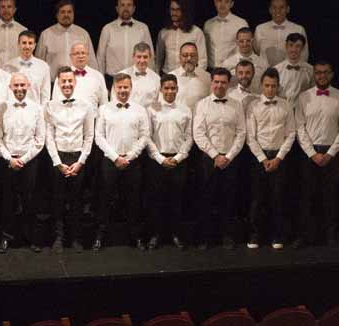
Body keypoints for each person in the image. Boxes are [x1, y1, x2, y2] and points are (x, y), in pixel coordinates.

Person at [294, 61, 339, 248]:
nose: (321, 76)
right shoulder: (304, 97)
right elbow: (299, 127)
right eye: (318, 73)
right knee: (305, 195)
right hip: (308, 153)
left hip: (331, 153)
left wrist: (331, 153)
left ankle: (330, 236)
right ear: (314, 75)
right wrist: (312, 153)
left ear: (332, 74)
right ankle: (303, 236)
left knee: (329, 196)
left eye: (325, 72)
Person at [94, 73, 150, 251]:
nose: (123, 90)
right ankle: (100, 236)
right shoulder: (104, 109)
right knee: (104, 200)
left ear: (131, 88)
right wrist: (115, 157)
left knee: (134, 200)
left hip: (132, 161)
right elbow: (99, 137)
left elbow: (144, 136)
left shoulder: (140, 110)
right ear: (114, 89)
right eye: (120, 87)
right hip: (111, 160)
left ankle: (136, 237)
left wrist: (130, 156)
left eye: (126, 87)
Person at [193, 68, 247, 250]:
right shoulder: (202, 105)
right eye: (216, 81)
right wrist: (215, 155)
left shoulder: (237, 105)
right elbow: (198, 133)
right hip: (209, 158)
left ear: (228, 83)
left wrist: (229, 156)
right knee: (205, 198)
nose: (219, 85)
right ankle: (204, 238)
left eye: (223, 82)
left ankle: (227, 236)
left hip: (231, 158)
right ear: (211, 82)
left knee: (229, 199)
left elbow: (241, 133)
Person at [45, 67, 95, 253]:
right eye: (63, 81)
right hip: (58, 157)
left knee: (77, 200)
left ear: (75, 83)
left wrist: (81, 161)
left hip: (77, 157)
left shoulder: (86, 105)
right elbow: (48, 136)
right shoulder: (50, 106)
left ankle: (76, 238)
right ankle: (58, 238)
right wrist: (57, 162)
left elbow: (89, 136)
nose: (66, 84)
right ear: (58, 83)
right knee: (57, 200)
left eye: (69, 81)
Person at [245, 68, 296, 250]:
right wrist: (262, 158)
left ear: (278, 86)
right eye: (267, 85)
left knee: (278, 197)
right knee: (257, 198)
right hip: (259, 157)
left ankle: (277, 235)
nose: (270, 89)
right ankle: (255, 234)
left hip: (280, 157)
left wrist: (278, 158)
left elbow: (291, 134)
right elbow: (250, 136)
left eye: (273, 86)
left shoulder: (286, 105)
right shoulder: (253, 106)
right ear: (261, 85)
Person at [0, 73, 46, 253]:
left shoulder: (37, 109)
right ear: (10, 87)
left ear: (28, 85)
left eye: (22, 85)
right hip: (8, 160)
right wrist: (10, 158)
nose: (19, 89)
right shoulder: (1, 108)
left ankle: (31, 237)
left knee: (30, 200)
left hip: (29, 160)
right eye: (16, 85)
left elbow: (40, 140)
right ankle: (6, 238)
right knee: (7, 201)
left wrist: (23, 160)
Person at [145, 74, 192, 250]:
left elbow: (189, 137)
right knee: (156, 200)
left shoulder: (185, 109)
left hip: (179, 160)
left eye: (173, 88)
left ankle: (176, 234)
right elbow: (147, 136)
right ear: (161, 89)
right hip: (157, 161)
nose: (170, 91)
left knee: (177, 200)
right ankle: (155, 235)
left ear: (177, 89)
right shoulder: (151, 109)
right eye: (167, 88)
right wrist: (160, 158)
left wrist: (178, 157)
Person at [36, 0, 99, 79]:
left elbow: (91, 61)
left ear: (73, 14)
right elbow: (39, 62)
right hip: (53, 82)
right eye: (62, 12)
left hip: (79, 82)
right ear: (57, 15)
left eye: (69, 12)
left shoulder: (83, 34)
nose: (66, 15)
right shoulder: (46, 34)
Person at [97, 0, 154, 79]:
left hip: (137, 78)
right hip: (113, 79)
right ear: (117, 8)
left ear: (134, 8)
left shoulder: (143, 28)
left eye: (129, 5)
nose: (126, 8)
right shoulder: (107, 29)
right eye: (122, 5)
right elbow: (100, 57)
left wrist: (151, 78)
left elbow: (151, 56)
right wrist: (100, 81)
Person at [155, 0, 207, 73]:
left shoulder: (196, 32)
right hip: (168, 75)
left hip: (188, 75)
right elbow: (158, 59)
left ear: (184, 11)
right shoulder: (163, 32)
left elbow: (202, 60)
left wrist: (196, 77)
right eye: (172, 9)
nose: (174, 13)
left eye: (177, 10)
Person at [254, 0, 309, 67]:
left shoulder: (299, 29)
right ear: (270, 10)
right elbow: (256, 51)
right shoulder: (260, 29)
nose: (278, 11)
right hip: (266, 73)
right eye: (274, 8)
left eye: (282, 7)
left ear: (288, 9)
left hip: (290, 73)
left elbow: (304, 55)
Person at [51, 42, 108, 110]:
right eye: (77, 53)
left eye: (83, 53)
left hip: (93, 119)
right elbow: (55, 102)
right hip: (68, 118)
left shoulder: (98, 76)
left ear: (87, 55)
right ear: (71, 56)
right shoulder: (62, 75)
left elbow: (104, 103)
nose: (80, 56)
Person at [203, 0, 249, 69]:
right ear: (215, 2)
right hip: (211, 70)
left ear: (232, 4)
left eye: (226, 2)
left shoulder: (241, 23)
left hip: (233, 69)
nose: (222, 4)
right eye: (220, 1)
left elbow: (246, 49)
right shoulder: (208, 24)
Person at [5, 30, 51, 104]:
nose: (27, 46)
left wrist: (42, 113)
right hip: (14, 110)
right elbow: (6, 92)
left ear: (34, 45)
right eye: (24, 43)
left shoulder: (43, 67)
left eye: (30, 43)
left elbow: (45, 95)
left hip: (35, 111)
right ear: (18, 44)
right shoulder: (8, 66)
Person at [111, 42, 160, 108]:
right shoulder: (121, 75)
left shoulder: (157, 79)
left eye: (145, 57)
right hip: (125, 116)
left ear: (150, 57)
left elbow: (158, 105)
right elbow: (114, 101)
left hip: (147, 117)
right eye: (139, 57)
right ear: (133, 56)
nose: (142, 60)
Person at [221, 28, 268, 93]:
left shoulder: (263, 63)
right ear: (237, 42)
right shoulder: (227, 64)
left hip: (257, 100)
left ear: (252, 41)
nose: (245, 44)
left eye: (248, 41)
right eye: (241, 41)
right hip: (234, 100)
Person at [168, 42, 210, 110]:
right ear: (179, 57)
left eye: (192, 55)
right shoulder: (170, 77)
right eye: (185, 55)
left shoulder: (207, 77)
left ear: (197, 57)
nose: (189, 59)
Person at [274, 33, 313, 105]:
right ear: (286, 46)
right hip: (282, 109)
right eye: (291, 45)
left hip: (303, 110)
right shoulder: (276, 70)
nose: (293, 49)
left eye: (298, 46)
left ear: (303, 48)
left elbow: (313, 93)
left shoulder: (310, 70)